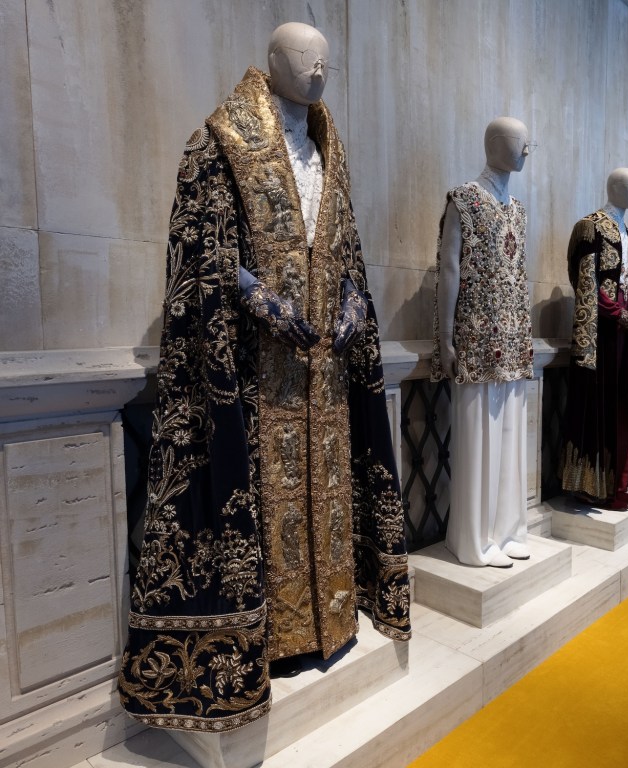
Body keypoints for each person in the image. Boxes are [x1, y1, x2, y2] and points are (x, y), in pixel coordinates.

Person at [118, 22, 411, 732]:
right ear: (273, 61)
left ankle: (333, 619)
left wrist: (349, 305)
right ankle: (270, 640)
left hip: (327, 384)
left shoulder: (331, 153)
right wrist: (263, 302)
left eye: (326, 59)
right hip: (256, 382)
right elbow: (203, 257)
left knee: (330, 495)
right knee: (262, 508)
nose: (320, 69)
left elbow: (348, 253)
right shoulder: (220, 143)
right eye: (305, 57)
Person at [432, 117, 534, 568]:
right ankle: (474, 538)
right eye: (519, 143)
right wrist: (445, 337)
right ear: (494, 145)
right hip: (475, 340)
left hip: (513, 340)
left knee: (511, 435)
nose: (527, 151)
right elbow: (449, 269)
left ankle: (509, 527)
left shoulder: (518, 209)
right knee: (479, 438)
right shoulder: (464, 199)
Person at [560, 168, 628, 511]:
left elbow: (627, 279)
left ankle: (617, 480)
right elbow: (586, 281)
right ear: (616, 188)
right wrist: (617, 313)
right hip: (599, 336)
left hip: (623, 334)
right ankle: (591, 486)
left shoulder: (625, 231)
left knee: (623, 405)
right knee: (600, 405)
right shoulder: (590, 226)